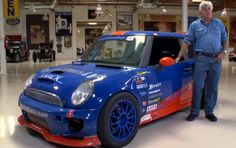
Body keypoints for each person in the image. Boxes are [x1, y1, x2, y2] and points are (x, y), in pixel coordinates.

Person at [175, 1, 229, 122]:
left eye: (209, 8)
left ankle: (209, 111)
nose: (208, 10)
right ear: (200, 11)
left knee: (212, 86)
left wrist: (223, 53)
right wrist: (179, 57)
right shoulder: (194, 25)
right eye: (205, 9)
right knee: (198, 86)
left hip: (216, 59)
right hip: (201, 59)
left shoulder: (219, 24)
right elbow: (186, 42)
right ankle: (194, 111)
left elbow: (225, 40)